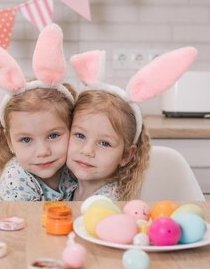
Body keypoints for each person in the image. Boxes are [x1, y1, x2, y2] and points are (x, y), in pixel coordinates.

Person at [67, 47, 198, 201]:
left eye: (104, 143)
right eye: (80, 135)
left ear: (126, 155)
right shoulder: (67, 185)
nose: (88, 150)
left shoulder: (105, 204)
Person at [0, 24, 77, 201]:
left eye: (54, 135)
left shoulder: (74, 168)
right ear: (9, 141)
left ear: (72, 129)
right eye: (26, 139)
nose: (42, 152)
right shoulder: (17, 178)